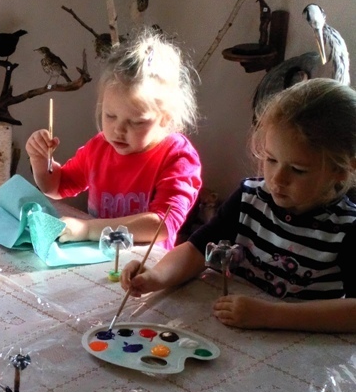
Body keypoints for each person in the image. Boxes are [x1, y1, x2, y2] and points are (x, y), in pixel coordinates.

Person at [121, 79, 356, 332]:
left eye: (298, 170)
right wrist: (155, 277)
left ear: (342, 170)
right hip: (234, 332)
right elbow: (196, 250)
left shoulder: (348, 228)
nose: (277, 179)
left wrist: (270, 315)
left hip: (302, 346)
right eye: (271, 159)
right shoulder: (250, 198)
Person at [25, 30, 202, 250]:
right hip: (96, 258)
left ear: (165, 117)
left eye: (136, 122)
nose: (118, 130)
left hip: (143, 266)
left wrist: (88, 229)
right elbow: (57, 187)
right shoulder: (100, 147)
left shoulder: (177, 156)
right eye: (110, 116)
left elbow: (162, 225)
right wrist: (40, 160)